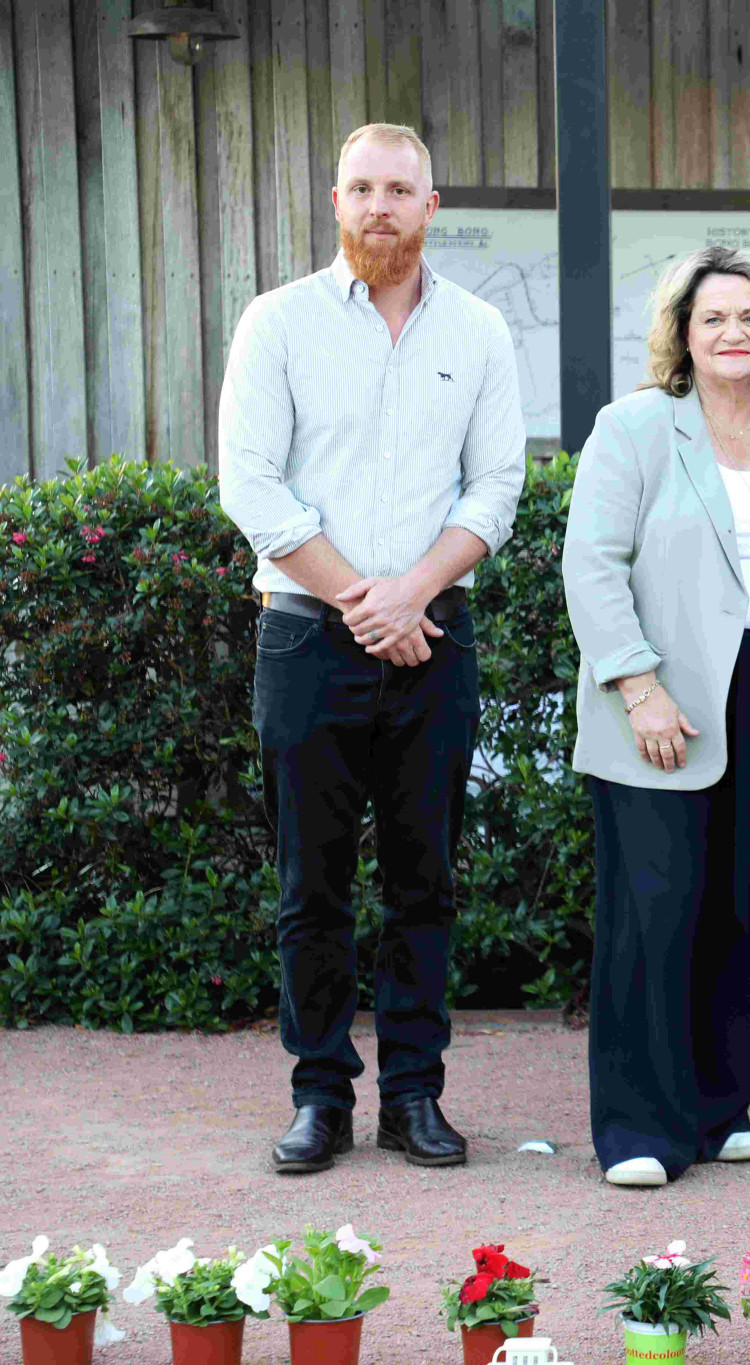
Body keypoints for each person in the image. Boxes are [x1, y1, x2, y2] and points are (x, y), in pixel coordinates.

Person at [218, 122, 527, 1175]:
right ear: (336, 201)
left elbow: (497, 488)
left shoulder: (480, 331)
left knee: (424, 878)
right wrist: (362, 600)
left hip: (437, 637)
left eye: (400, 189)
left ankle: (414, 1096)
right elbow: (250, 484)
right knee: (313, 883)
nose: (380, 206)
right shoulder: (280, 324)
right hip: (308, 639)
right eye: (361, 188)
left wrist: (413, 596)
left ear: (431, 206)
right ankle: (319, 1096)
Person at [562, 245, 750, 1188]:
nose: (734, 333)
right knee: (656, 909)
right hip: (667, 701)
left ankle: (720, 1102)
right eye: (714, 318)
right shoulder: (637, 427)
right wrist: (638, 685)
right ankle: (640, 1127)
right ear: (684, 336)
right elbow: (592, 563)